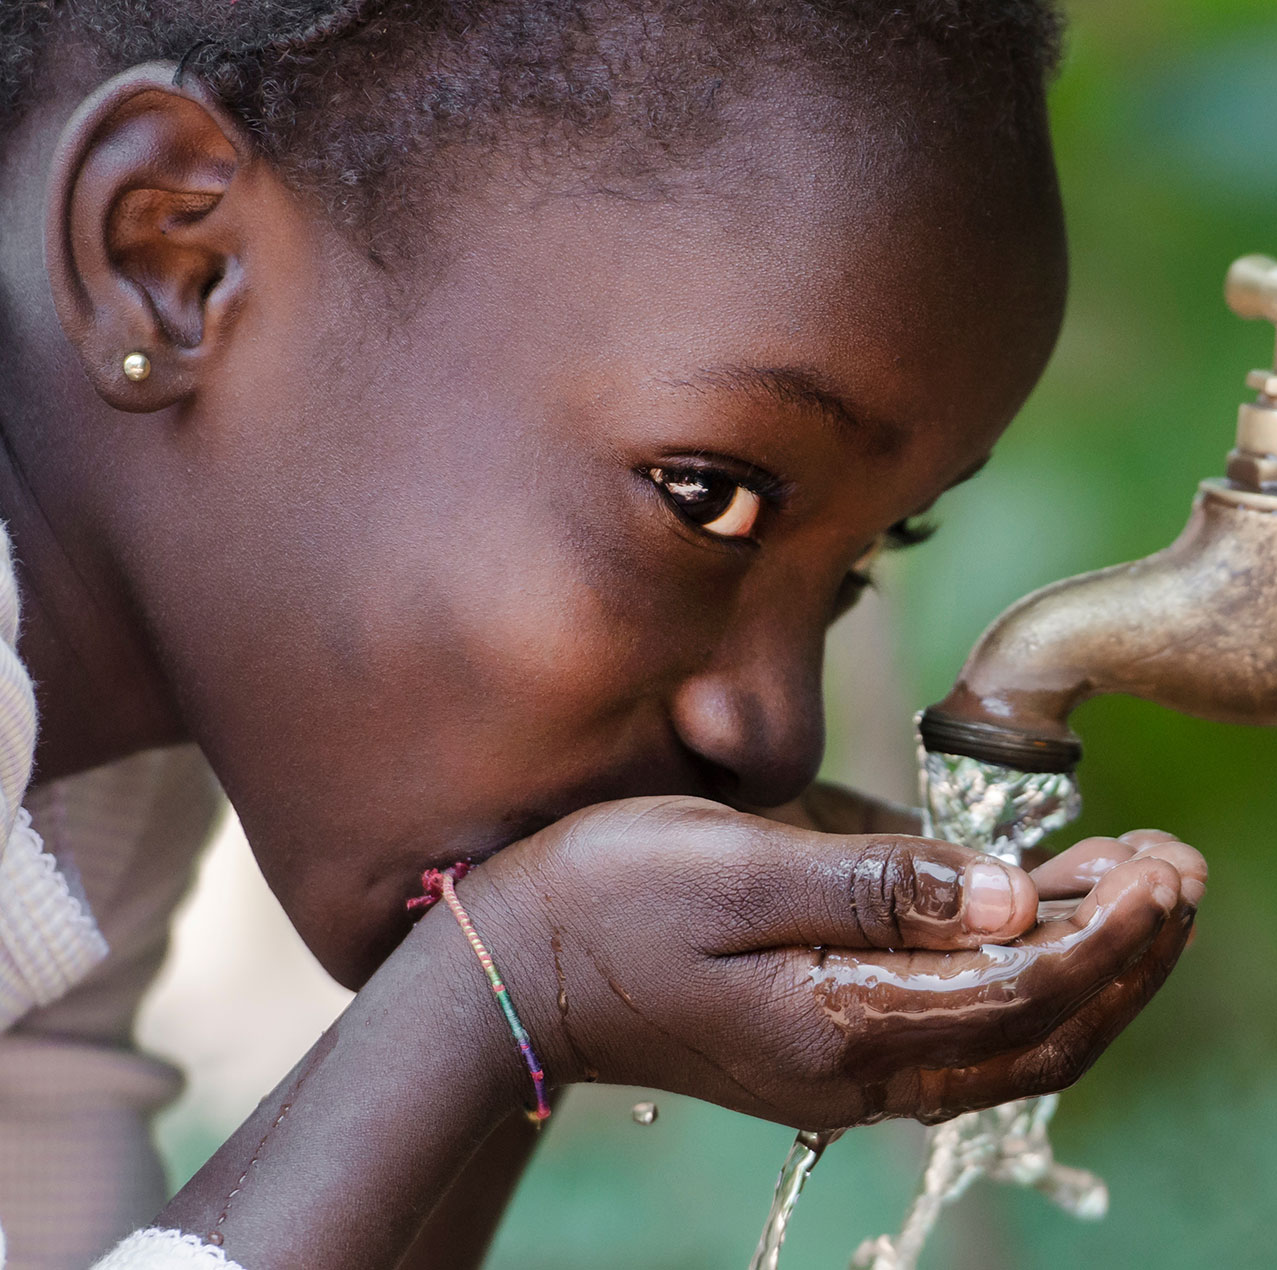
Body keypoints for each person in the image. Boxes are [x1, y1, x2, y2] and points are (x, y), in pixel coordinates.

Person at [0, 2, 1210, 1266]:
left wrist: (535, 997)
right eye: (710, 496)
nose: (771, 734)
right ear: (172, 263)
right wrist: (505, 988)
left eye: (862, 559)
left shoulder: (94, 760)